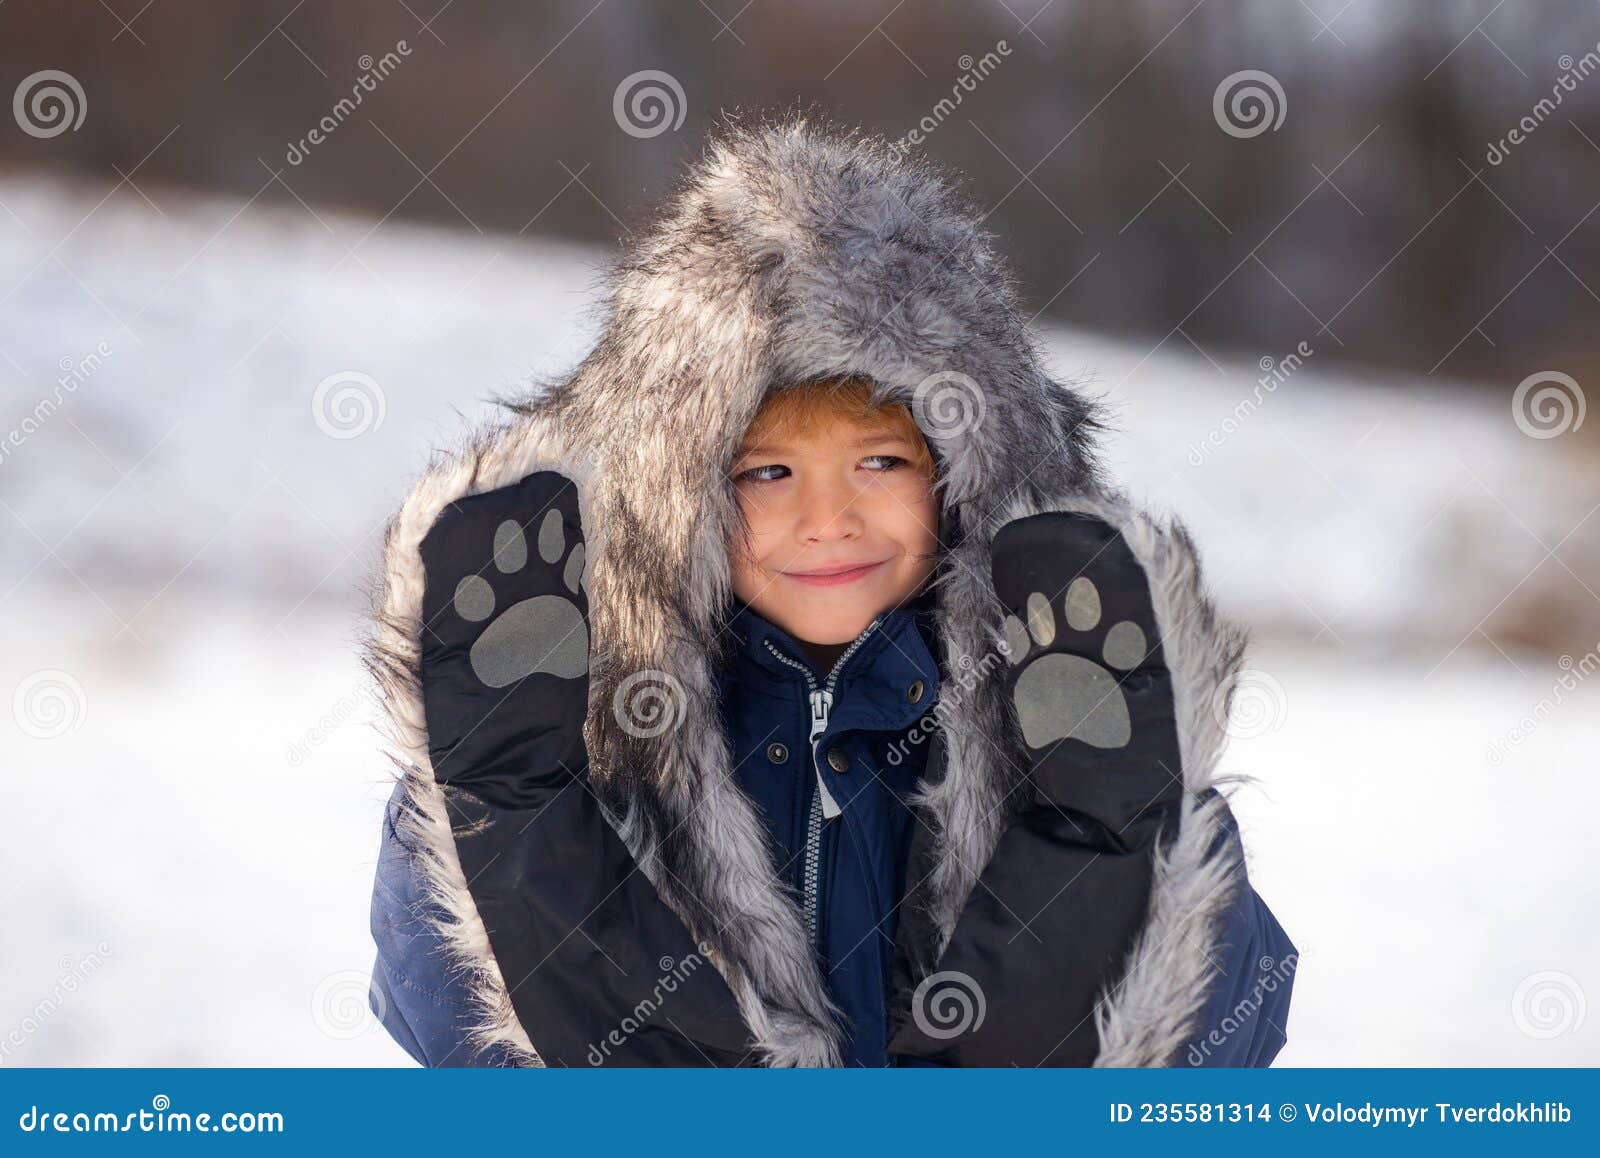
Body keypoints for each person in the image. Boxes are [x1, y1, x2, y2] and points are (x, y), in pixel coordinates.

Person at [362, 117, 1297, 1067]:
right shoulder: (601, 726)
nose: (828, 519)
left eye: (881, 461)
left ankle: (1104, 854)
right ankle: (510, 814)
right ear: (673, 498)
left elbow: (1241, 1022)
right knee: (522, 872)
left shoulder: (1048, 716)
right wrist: (464, 799)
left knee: (1115, 866)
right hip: (633, 1012)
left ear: (962, 475)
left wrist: (1163, 850)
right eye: (767, 474)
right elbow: (423, 1004)